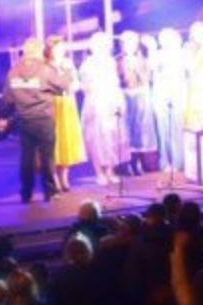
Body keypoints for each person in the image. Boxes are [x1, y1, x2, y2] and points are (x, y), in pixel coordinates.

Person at [0, 37, 69, 204]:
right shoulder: (45, 69)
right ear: (38, 51)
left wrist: (3, 116)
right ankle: (50, 193)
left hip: (24, 120)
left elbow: (7, 99)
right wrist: (64, 71)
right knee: (47, 158)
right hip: (44, 119)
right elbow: (62, 86)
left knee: (27, 158)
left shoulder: (13, 72)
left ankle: (26, 193)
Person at [80, 32, 127, 186]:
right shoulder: (88, 64)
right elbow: (85, 86)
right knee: (97, 139)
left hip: (111, 101)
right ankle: (99, 172)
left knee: (112, 137)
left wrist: (118, 100)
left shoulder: (110, 62)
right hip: (96, 103)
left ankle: (110, 170)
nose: (104, 47)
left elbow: (115, 83)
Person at [48, 36, 85, 193]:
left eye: (62, 47)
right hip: (52, 105)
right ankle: (54, 178)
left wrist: (73, 85)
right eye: (57, 48)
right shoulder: (46, 65)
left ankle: (64, 177)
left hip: (67, 103)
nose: (60, 50)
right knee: (55, 141)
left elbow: (76, 82)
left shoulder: (68, 64)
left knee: (67, 141)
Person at [152, 28, 188, 183]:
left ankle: (178, 161)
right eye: (163, 38)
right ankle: (165, 161)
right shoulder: (157, 54)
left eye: (169, 38)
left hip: (177, 91)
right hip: (161, 92)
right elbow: (153, 73)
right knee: (163, 128)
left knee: (177, 127)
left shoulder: (182, 53)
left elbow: (184, 72)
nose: (166, 42)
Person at [119, 31, 157, 177]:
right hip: (126, 95)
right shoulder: (119, 61)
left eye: (133, 43)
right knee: (128, 128)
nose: (130, 46)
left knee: (142, 128)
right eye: (128, 43)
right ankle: (130, 163)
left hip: (141, 94)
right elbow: (119, 80)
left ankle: (140, 162)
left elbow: (148, 77)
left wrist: (139, 71)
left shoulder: (143, 60)